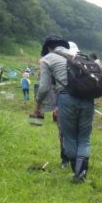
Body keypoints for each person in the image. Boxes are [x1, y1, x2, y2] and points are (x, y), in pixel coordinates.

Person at [34, 35, 95, 182]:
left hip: (67, 99)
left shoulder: (47, 58)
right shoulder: (77, 55)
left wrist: (38, 105)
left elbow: (43, 88)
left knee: (69, 137)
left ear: (48, 47)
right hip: (88, 99)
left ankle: (77, 174)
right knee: (84, 139)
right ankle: (81, 175)